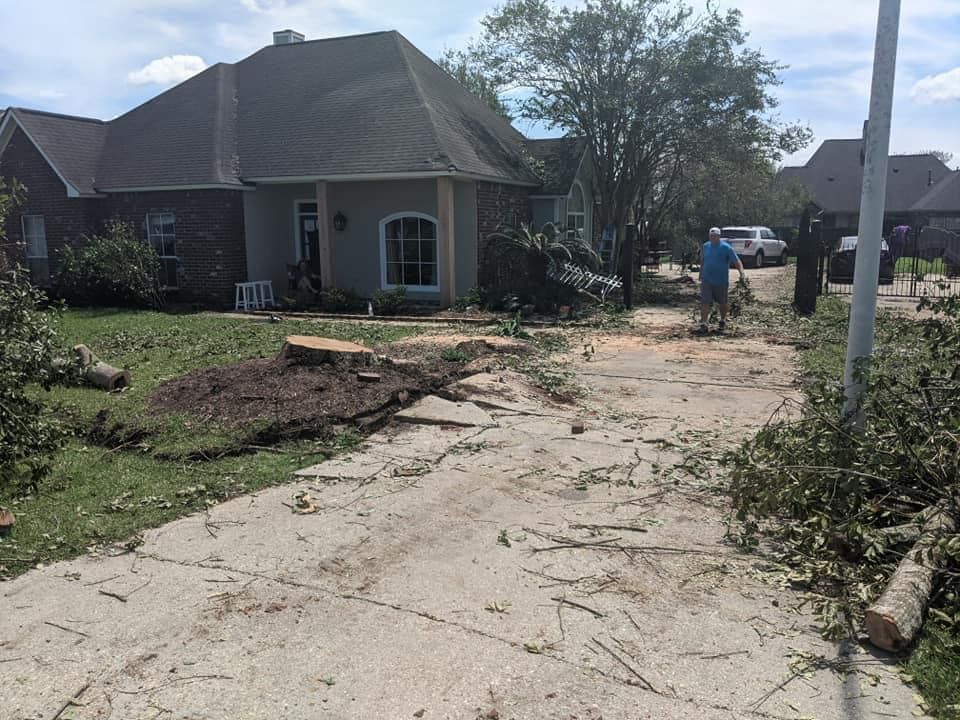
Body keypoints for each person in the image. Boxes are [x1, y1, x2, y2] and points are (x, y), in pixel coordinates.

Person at [698, 227, 744, 334]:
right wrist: (700, 273)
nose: (712, 237)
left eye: (715, 236)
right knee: (705, 301)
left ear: (719, 236)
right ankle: (704, 323)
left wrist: (741, 273)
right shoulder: (706, 246)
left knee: (722, 303)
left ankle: (722, 320)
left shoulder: (726, 248)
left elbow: (737, 261)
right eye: (711, 236)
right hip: (707, 280)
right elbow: (703, 260)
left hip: (721, 281)